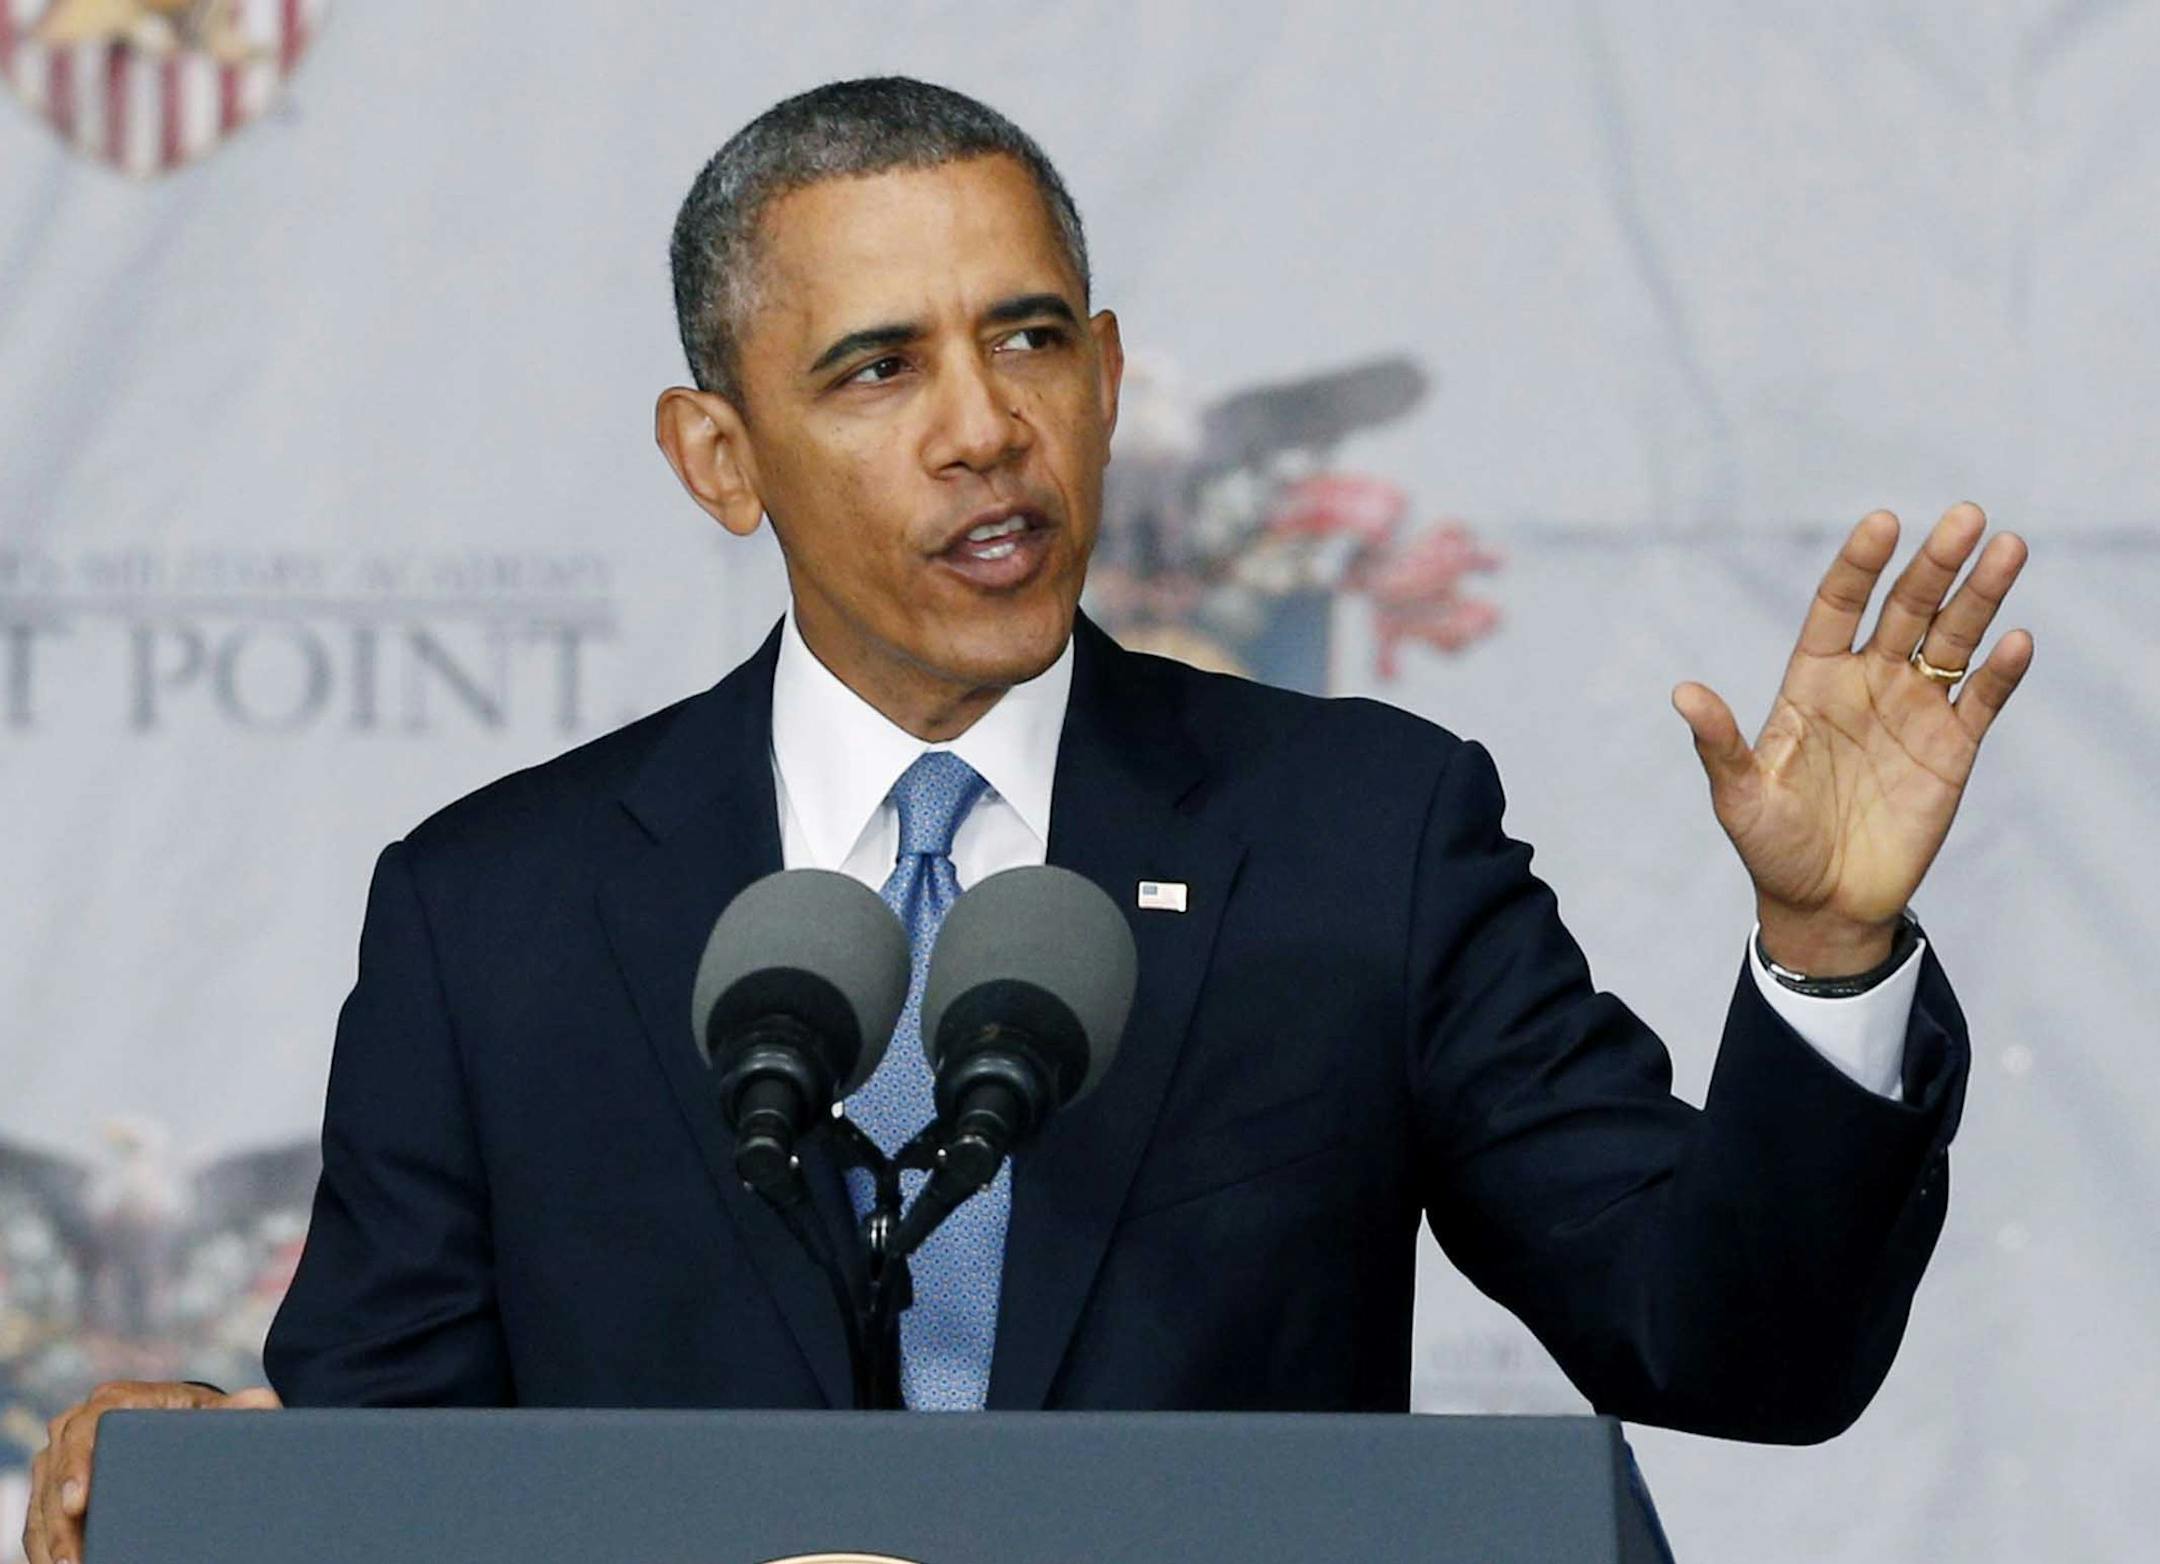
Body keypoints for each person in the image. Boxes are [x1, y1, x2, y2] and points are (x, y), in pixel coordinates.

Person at [22, 76, 2033, 1564]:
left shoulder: (1355, 832)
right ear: (720, 454)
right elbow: (399, 1476)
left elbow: (1735, 1341)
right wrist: (213, 1470)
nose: (984, 423)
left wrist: (1829, 954)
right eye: (879, 367)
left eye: (1032, 337)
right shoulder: (500, 910)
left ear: (1110, 376)